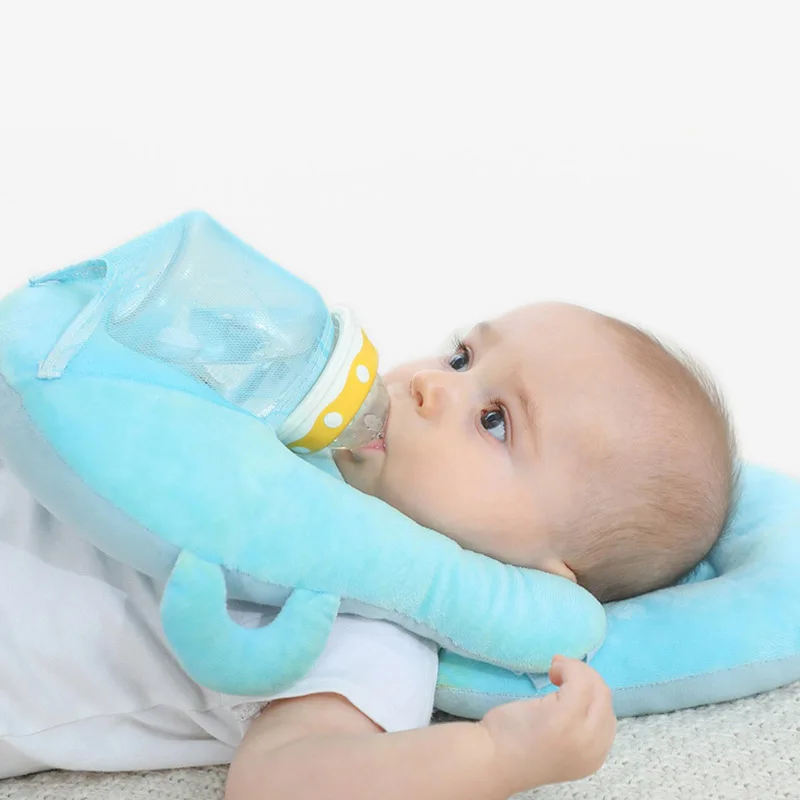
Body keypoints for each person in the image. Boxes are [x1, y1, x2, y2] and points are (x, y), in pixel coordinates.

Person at [1, 303, 737, 798]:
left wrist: (497, 758)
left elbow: (281, 783)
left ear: (540, 573)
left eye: (494, 421)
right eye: (461, 357)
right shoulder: (287, 439)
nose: (428, 385)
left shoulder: (373, 631)